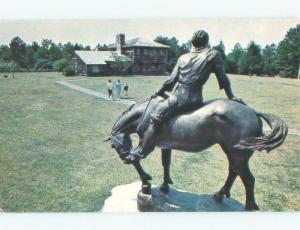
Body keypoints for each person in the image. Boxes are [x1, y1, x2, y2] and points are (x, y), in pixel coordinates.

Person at [126, 30, 245, 162]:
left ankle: (141, 151)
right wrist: (231, 96)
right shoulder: (213, 54)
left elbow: (171, 81)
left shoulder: (183, 58)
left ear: (192, 42)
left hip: (180, 97)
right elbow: (222, 78)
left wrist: (159, 92)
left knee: (155, 117)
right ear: (206, 42)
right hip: (196, 98)